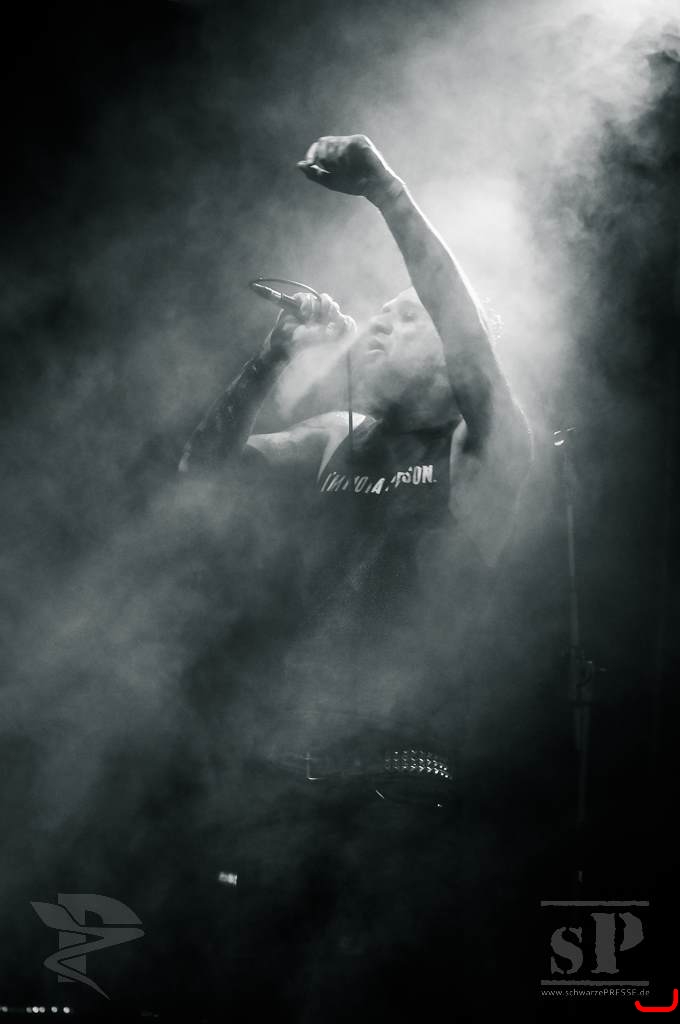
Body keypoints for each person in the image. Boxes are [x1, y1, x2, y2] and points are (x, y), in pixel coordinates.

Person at [177, 134, 532, 1018]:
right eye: (380, 314)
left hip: (411, 794)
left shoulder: (481, 449)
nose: (379, 323)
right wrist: (269, 359)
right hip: (281, 778)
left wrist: (387, 192)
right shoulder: (336, 439)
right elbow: (201, 467)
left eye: (407, 318)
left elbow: (468, 338)